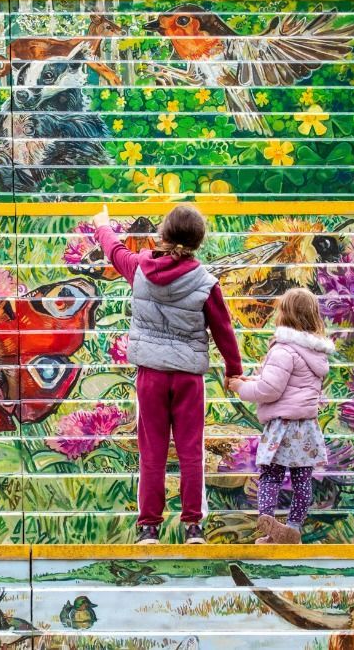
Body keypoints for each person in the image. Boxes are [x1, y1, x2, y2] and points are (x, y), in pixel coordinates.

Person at [93, 204, 243, 545]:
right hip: (188, 378)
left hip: (151, 376)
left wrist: (102, 225)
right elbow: (223, 330)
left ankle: (148, 528)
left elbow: (116, 252)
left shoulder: (141, 269)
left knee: (153, 452)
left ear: (163, 234)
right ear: (198, 241)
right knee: (190, 451)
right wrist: (234, 372)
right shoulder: (206, 282)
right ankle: (193, 527)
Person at [227, 288, 333, 545]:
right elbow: (286, 382)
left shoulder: (283, 349)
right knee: (302, 480)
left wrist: (241, 388)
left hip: (283, 427)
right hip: (307, 427)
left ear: (285, 314)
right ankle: (294, 527)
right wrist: (252, 378)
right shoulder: (316, 353)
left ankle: (266, 520)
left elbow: (270, 390)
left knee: (271, 475)